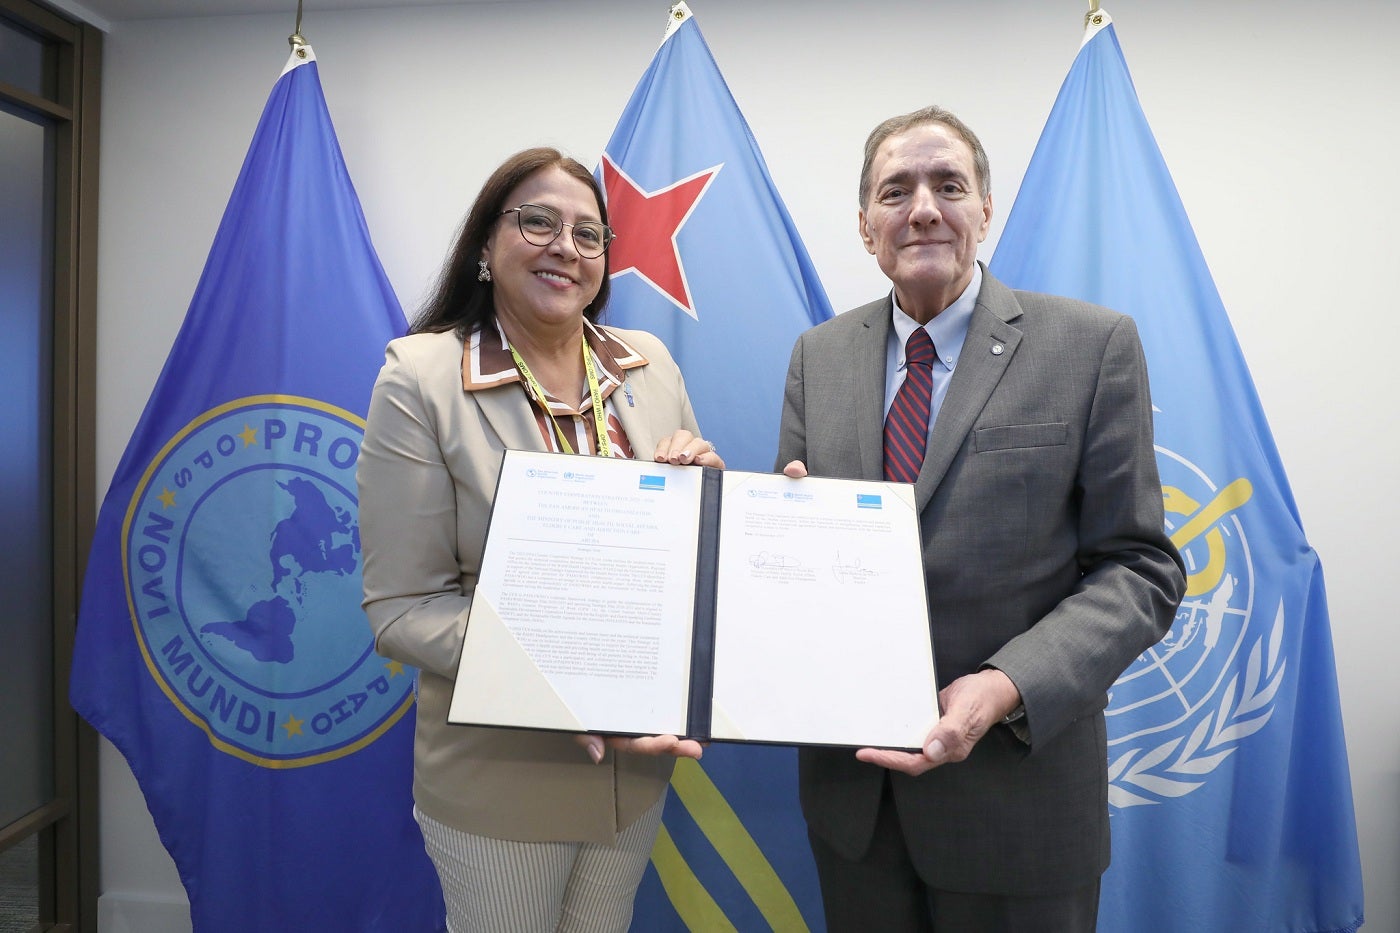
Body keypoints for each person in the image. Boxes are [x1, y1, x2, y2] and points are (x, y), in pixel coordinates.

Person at [776, 106, 1187, 931]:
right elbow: (787, 567)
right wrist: (774, 532)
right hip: (857, 813)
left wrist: (1004, 687)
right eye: (896, 190)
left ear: (985, 209)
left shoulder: (1091, 345)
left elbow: (1141, 568)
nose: (923, 208)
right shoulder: (818, 356)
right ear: (865, 225)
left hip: (1019, 804)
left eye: (949, 185)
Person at [357, 147, 722, 932]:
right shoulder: (420, 377)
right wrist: (563, 672)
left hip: (633, 771)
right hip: (501, 777)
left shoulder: (649, 366)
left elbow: (684, 566)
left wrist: (706, 494)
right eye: (538, 222)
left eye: (589, 234)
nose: (566, 246)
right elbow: (402, 608)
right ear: (486, 244)